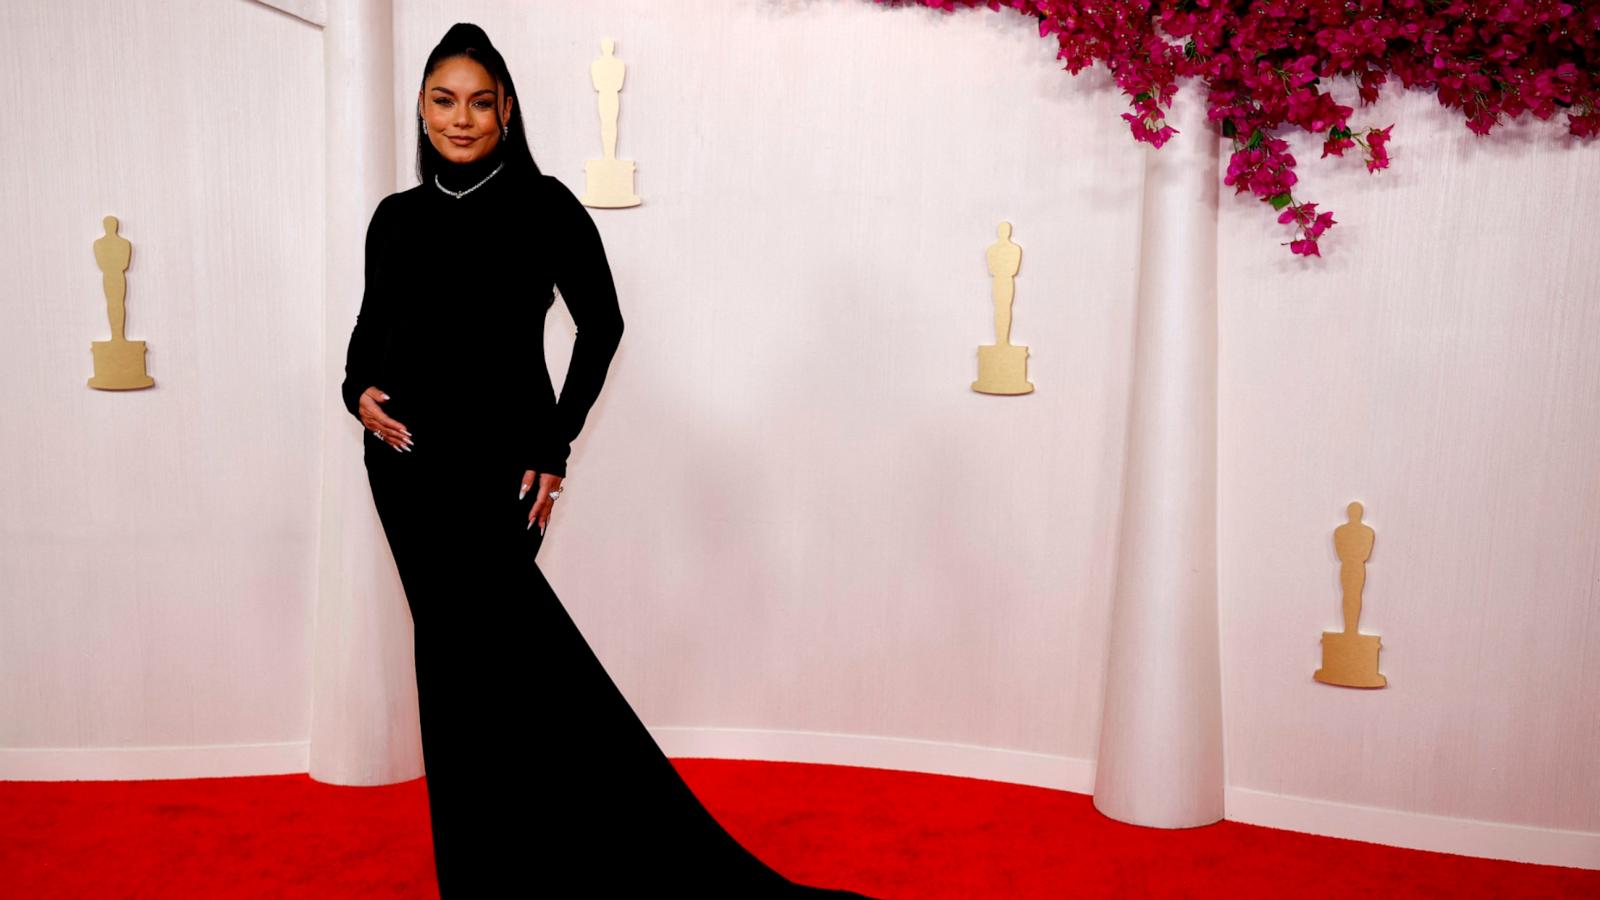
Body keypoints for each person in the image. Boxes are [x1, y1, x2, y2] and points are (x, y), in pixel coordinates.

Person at [340, 23, 876, 899]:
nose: (462, 118)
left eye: (480, 101)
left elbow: (604, 325)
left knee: (508, 671)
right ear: (422, 108)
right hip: (404, 472)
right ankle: (485, 874)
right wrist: (354, 392)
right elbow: (369, 338)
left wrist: (554, 441)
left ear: (507, 109)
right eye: (444, 100)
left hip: (500, 476)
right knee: (454, 674)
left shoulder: (545, 205)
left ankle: (596, 853)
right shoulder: (394, 219)